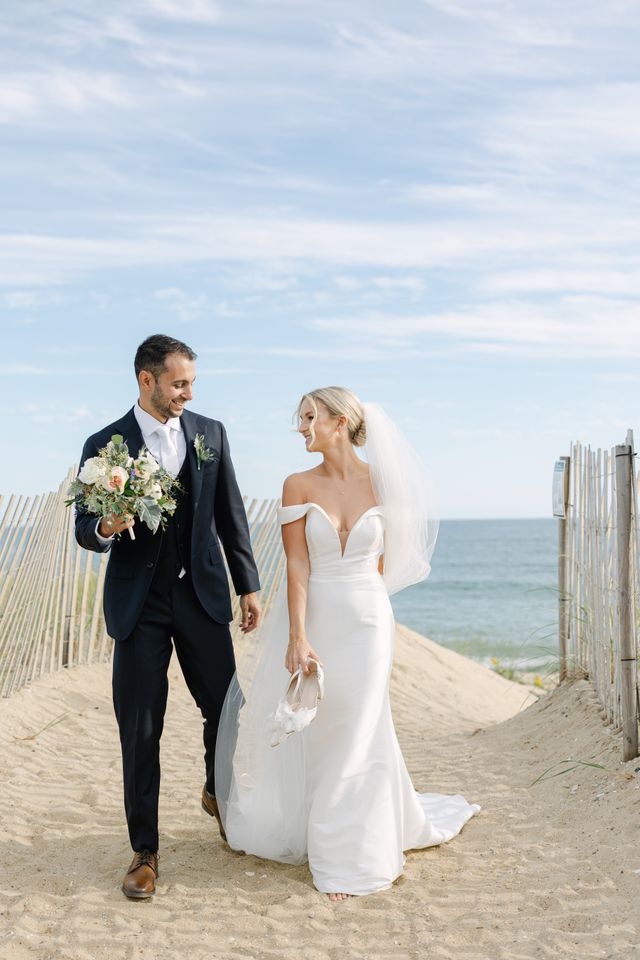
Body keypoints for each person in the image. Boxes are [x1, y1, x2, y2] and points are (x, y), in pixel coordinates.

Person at [216, 387, 480, 901]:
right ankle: (345, 829)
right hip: (318, 616)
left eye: (309, 417)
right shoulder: (295, 484)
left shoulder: (384, 483)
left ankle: (349, 857)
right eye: (300, 418)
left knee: (360, 727)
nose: (301, 428)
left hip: (368, 621)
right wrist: (298, 634)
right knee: (326, 729)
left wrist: (364, 597)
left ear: (340, 422)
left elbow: (387, 561)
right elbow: (297, 565)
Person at [75, 334, 261, 899]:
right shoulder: (105, 443)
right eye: (178, 383)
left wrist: (247, 584)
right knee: (141, 724)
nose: (187, 393)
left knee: (227, 709)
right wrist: (108, 525)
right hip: (140, 602)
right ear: (146, 380)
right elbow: (85, 526)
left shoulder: (210, 433)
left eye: (191, 384)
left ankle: (216, 791)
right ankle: (145, 850)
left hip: (202, 595)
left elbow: (230, 513)